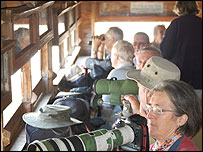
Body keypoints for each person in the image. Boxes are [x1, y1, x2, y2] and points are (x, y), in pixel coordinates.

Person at [160, 1, 202, 95]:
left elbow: (166, 51)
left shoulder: (176, 24)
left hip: (180, 77)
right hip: (199, 78)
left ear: (178, 8)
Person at [147, 79, 202, 151]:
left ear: (181, 120)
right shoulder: (154, 147)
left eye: (158, 110)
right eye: (149, 107)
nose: (149, 115)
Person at [101, 40, 135, 128]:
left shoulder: (114, 74)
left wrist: (103, 120)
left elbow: (106, 103)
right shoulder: (137, 72)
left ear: (116, 56)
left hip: (118, 122)